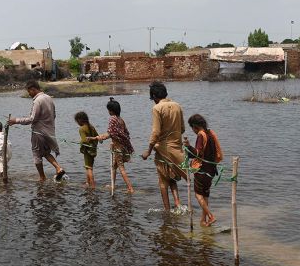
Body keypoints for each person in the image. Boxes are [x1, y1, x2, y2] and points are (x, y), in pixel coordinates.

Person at [141, 81, 186, 212]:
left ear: (154, 96)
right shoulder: (177, 106)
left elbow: (155, 132)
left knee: (162, 181)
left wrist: (148, 151)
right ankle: (178, 205)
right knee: (172, 177)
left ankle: (167, 211)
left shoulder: (157, 108)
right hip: (177, 148)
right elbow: (182, 129)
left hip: (162, 149)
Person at [8, 80, 65, 182]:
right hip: (49, 132)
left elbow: (32, 119)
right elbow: (54, 115)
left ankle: (42, 178)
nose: (28, 94)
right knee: (46, 152)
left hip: (38, 133)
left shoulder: (37, 101)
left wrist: (15, 120)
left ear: (33, 89)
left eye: (29, 91)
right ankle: (58, 168)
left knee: (36, 155)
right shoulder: (49, 98)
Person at [183, 114, 222, 227]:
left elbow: (198, 154)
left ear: (195, 126)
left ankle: (210, 216)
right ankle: (203, 221)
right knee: (205, 196)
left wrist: (188, 146)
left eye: (192, 128)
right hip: (211, 170)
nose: (193, 131)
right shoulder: (210, 134)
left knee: (198, 196)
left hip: (201, 170)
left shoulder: (201, 135)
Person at [94, 97, 135, 194]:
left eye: (108, 110)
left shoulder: (112, 119)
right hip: (122, 146)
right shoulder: (120, 119)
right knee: (114, 166)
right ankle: (113, 184)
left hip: (118, 147)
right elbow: (125, 133)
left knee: (121, 167)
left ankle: (130, 188)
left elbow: (110, 133)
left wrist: (100, 138)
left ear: (111, 110)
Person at [75, 111, 98, 189]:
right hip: (93, 150)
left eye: (77, 121)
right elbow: (97, 137)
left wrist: (80, 142)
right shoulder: (91, 126)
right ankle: (87, 182)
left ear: (80, 120)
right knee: (89, 166)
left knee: (89, 168)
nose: (77, 123)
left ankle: (92, 185)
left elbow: (84, 140)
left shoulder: (81, 129)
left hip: (87, 151)